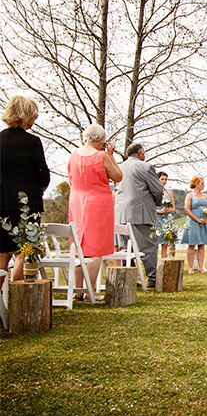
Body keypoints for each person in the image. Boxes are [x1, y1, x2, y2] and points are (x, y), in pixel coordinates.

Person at [0, 95, 50, 281]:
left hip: (1, 205)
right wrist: (39, 190)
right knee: (24, 253)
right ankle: (17, 300)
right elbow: (43, 174)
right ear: (25, 116)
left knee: (2, 254)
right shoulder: (32, 142)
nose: (34, 121)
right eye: (34, 117)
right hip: (27, 209)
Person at [68, 124, 122, 291]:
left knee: (79, 247)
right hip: (98, 203)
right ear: (99, 140)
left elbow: (71, 178)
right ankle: (89, 290)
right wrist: (111, 156)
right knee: (95, 248)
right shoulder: (101, 156)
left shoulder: (73, 155)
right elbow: (118, 176)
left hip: (77, 201)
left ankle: (78, 289)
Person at [114, 143, 164, 288]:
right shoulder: (146, 167)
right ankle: (152, 278)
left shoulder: (118, 167)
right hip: (140, 213)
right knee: (148, 246)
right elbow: (158, 190)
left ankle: (128, 277)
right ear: (140, 152)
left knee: (125, 248)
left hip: (121, 213)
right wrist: (155, 203)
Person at [181, 176, 207, 274]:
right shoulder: (190, 195)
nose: (203, 185)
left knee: (201, 245)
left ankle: (201, 267)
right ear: (196, 184)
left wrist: (206, 218)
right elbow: (187, 209)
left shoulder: (206, 196)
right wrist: (197, 219)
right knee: (192, 244)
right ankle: (190, 267)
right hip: (193, 222)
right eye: (202, 183)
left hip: (203, 222)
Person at [156, 171, 175, 260]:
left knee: (165, 242)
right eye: (162, 179)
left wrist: (168, 210)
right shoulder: (154, 192)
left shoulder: (169, 193)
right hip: (156, 218)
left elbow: (173, 208)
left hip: (166, 219)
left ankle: (164, 261)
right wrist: (160, 211)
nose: (164, 181)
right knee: (155, 242)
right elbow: (150, 208)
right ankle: (154, 263)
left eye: (166, 180)